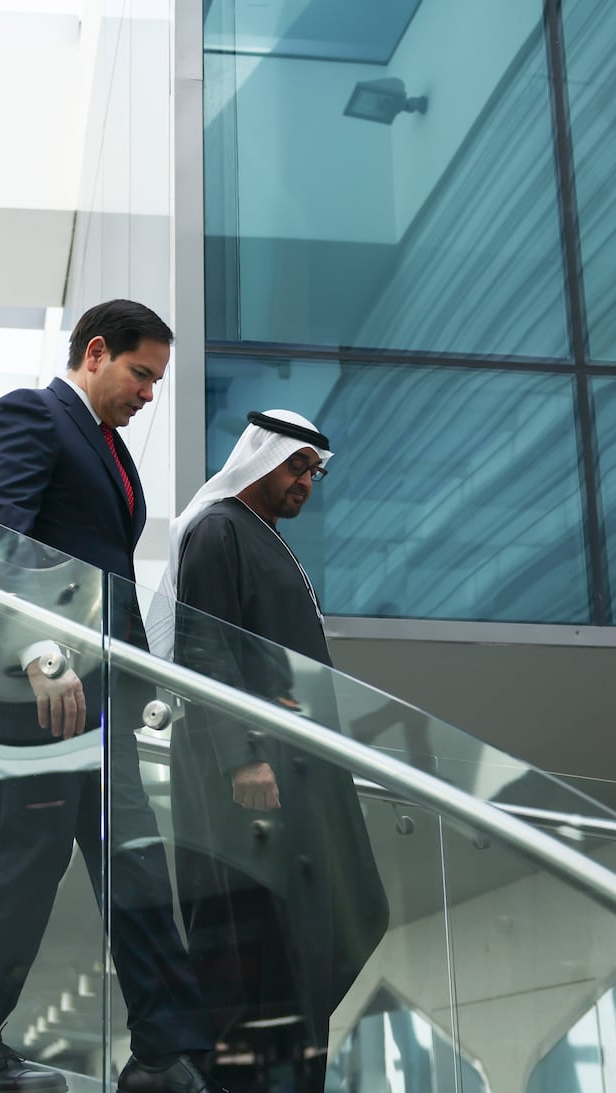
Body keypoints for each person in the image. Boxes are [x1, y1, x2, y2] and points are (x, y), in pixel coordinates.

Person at [0, 301, 220, 1093]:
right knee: (31, 862)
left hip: (100, 692)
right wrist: (40, 647)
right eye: (141, 374)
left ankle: (163, 1051)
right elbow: (4, 533)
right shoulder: (30, 414)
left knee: (134, 862)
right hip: (36, 684)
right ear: (96, 351)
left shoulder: (108, 448)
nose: (149, 393)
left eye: (157, 380)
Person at [161, 410, 389, 1093]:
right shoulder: (218, 528)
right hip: (246, 778)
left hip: (294, 774)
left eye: (314, 472)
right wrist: (242, 756)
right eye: (297, 466)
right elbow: (205, 648)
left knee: (317, 935)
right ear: (260, 457)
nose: (306, 483)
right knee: (249, 946)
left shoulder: (264, 538)